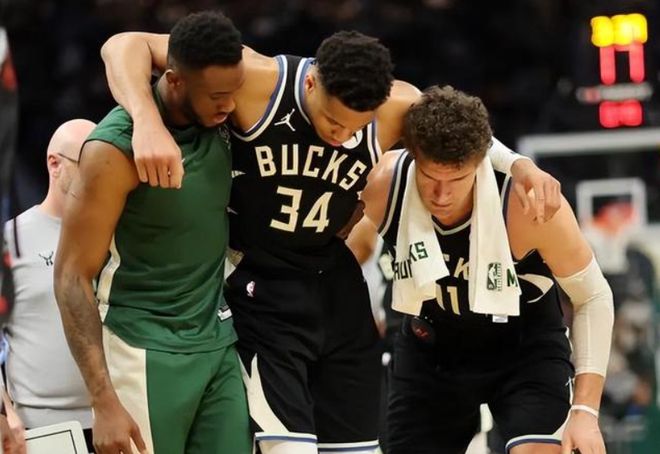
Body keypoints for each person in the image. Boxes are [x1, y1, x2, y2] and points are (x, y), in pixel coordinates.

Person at [100, 27, 563, 454]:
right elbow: (125, 44)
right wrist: (145, 120)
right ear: (310, 83)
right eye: (332, 121)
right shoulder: (259, 81)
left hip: (334, 281)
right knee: (289, 449)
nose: (341, 137)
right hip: (260, 283)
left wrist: (520, 165)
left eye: (355, 128)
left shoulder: (396, 106)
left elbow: (460, 131)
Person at [359, 85, 614, 454]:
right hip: (431, 352)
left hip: (524, 350)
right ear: (412, 157)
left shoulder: (526, 204)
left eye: (457, 180)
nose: (442, 195)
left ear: (480, 162)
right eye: (430, 178)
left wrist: (586, 411)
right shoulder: (383, 186)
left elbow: (593, 295)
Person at [53, 11, 250, 454]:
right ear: (175, 81)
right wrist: (102, 400)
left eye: (234, 92)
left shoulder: (218, 113)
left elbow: (131, 42)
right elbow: (69, 276)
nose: (231, 106)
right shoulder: (113, 150)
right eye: (218, 96)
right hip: (142, 346)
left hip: (217, 341)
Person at [3, 119, 96, 452]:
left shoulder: (119, 235)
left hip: (119, 416)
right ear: (54, 164)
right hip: (41, 429)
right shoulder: (12, 240)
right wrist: (3, 412)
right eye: (88, 164)